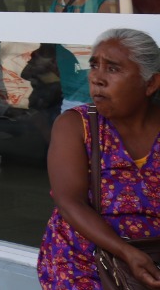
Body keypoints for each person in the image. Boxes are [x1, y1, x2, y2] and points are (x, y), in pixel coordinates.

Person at [38, 28, 160, 289]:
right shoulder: (76, 126)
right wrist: (126, 252)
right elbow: (70, 202)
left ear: (151, 83)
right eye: (94, 66)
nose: (97, 78)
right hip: (83, 264)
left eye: (113, 69)